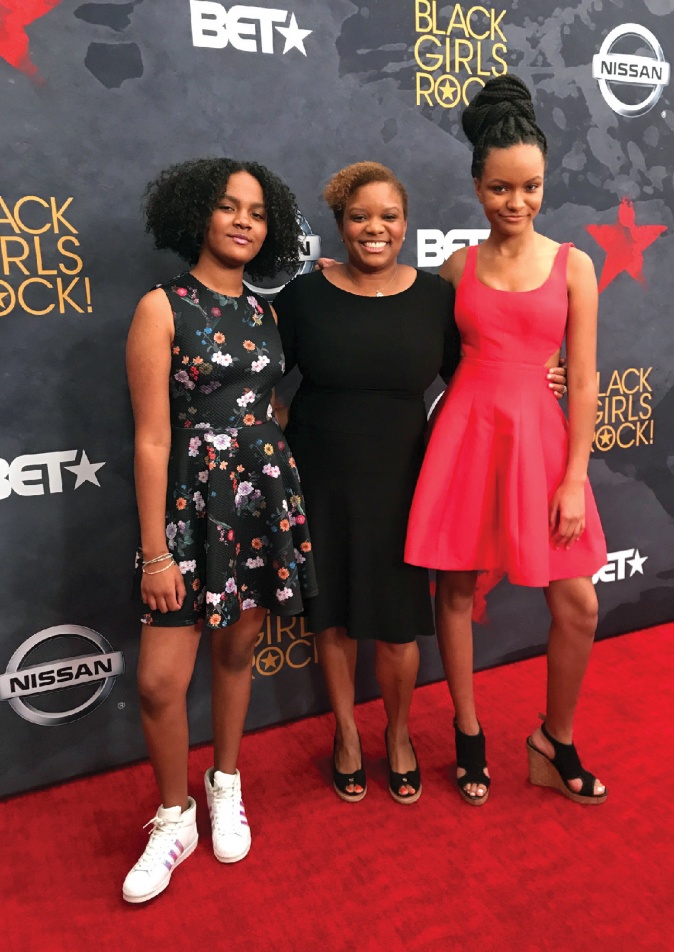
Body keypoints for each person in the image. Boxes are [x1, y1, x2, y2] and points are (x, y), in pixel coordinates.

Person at [273, 162, 567, 805]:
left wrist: (537, 378)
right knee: (335, 618)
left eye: (388, 217)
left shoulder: (436, 297)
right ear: (340, 224)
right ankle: (347, 734)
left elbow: (482, 371)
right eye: (359, 217)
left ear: (406, 225)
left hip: (410, 474)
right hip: (320, 475)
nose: (374, 229)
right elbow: (255, 374)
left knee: (400, 622)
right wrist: (291, 435)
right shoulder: (304, 297)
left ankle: (399, 734)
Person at [405, 75, 608, 806]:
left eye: (530, 187)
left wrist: (574, 477)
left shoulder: (574, 264)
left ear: (544, 183)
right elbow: (414, 347)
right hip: (467, 438)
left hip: (545, 450)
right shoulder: (457, 267)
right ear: (477, 185)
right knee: (454, 589)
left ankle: (555, 739)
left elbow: (582, 379)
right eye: (499, 188)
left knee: (578, 604)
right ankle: (468, 733)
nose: (515, 203)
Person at [122, 157, 317, 903]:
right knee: (158, 681)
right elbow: (150, 439)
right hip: (189, 508)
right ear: (198, 214)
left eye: (258, 211)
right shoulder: (161, 307)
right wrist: (154, 553)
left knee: (238, 653)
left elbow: (267, 407)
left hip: (261, 502)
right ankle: (174, 817)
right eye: (229, 206)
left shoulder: (267, 313)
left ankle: (224, 782)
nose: (243, 220)